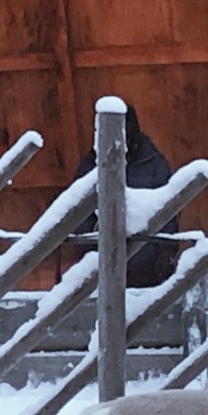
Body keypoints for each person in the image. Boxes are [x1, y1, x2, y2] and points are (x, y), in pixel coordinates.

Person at [72, 104, 180, 288]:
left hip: (147, 268)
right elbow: (79, 216)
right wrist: (92, 253)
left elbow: (169, 213)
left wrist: (162, 254)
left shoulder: (153, 163)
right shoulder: (90, 167)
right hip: (101, 266)